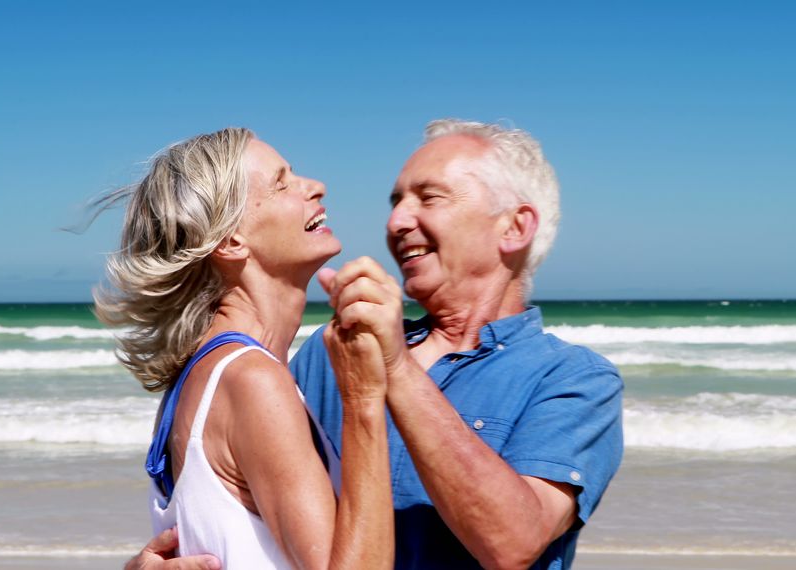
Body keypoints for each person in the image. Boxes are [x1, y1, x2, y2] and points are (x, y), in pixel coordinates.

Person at [129, 120, 623, 569]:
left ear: (514, 227)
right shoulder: (329, 354)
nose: (396, 223)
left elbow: (512, 542)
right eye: (395, 202)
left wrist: (395, 373)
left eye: (430, 198)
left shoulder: (574, 379)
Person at [98, 128, 393, 569]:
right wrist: (365, 400)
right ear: (231, 241)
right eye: (282, 182)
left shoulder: (201, 374)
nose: (315, 187)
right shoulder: (251, 380)